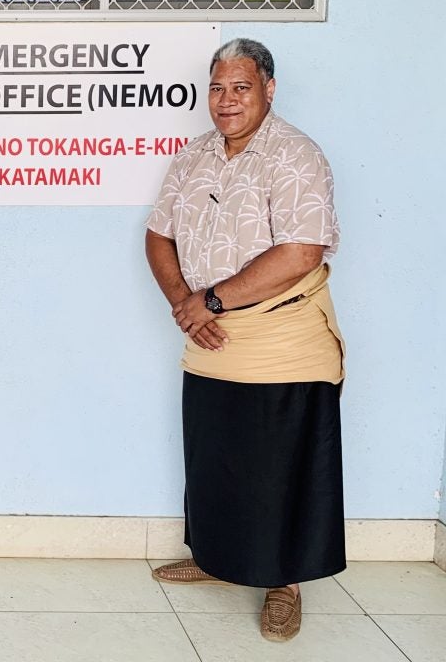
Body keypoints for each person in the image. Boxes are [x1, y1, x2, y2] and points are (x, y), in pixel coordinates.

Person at [145, 38, 345, 642]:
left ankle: (283, 583)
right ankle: (217, 556)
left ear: (269, 90)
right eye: (217, 88)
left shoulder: (295, 155)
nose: (227, 101)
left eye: (241, 87)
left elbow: (301, 252)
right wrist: (188, 305)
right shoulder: (194, 155)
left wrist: (208, 300)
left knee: (281, 469)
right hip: (207, 335)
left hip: (281, 337)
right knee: (216, 459)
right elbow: (158, 236)